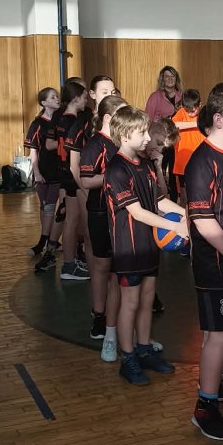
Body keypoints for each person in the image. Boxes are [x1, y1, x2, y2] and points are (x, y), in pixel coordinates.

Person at [104, 105, 186, 385]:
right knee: (130, 302)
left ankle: (144, 349)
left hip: (149, 245)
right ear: (126, 135)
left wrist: (187, 215)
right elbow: (137, 212)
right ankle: (127, 358)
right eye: (142, 133)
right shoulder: (116, 169)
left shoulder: (146, 165)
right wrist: (174, 226)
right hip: (129, 248)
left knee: (147, 299)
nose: (148, 138)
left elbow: (158, 201)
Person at [186, 84, 223, 441]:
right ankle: (205, 406)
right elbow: (203, 221)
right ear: (220, 119)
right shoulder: (201, 161)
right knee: (218, 335)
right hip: (215, 264)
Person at [80, 93, 127, 361]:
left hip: (121, 212)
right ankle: (99, 315)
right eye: (121, 114)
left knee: (118, 270)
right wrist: (116, 174)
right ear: (108, 118)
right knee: (102, 266)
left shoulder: (123, 140)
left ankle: (117, 320)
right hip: (100, 211)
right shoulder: (95, 144)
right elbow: (86, 181)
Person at [43, 80, 89, 281]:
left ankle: (71, 262)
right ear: (76, 98)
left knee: (71, 218)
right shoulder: (72, 122)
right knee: (73, 220)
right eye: (84, 97)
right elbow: (72, 153)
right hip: (72, 174)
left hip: (65, 171)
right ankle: (70, 265)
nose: (86, 101)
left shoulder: (61, 119)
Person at [25, 87, 63, 258]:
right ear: (44, 102)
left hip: (58, 171)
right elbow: (33, 151)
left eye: (57, 96)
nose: (57, 99)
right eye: (52, 97)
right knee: (45, 206)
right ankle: (47, 238)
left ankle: (45, 241)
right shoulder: (37, 124)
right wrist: (37, 173)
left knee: (52, 206)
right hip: (43, 171)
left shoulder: (60, 121)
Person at [172, 89, 203, 200]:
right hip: (183, 159)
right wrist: (196, 123)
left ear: (200, 105)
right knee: (183, 191)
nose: (190, 113)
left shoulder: (203, 115)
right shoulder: (181, 112)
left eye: (193, 111)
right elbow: (174, 125)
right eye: (187, 110)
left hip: (199, 160)